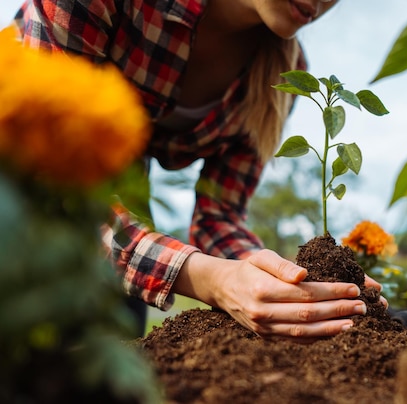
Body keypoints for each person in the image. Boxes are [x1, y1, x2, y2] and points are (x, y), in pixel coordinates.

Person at [11, 0, 385, 341]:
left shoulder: (286, 74)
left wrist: (285, 284)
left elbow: (219, 216)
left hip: (115, 187)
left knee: (117, 328)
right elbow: (59, 187)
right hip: (14, 167)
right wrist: (211, 279)